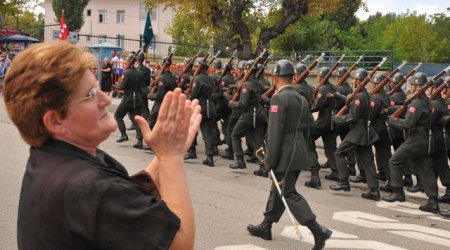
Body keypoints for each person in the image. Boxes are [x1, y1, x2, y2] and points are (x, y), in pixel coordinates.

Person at [3, 42, 201, 249]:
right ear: (54, 121)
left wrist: (164, 154)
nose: (106, 99)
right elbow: (180, 244)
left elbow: (123, 199)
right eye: (91, 95)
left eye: (98, 89)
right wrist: (171, 157)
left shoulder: (52, 157)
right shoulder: (92, 188)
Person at [247, 60, 332, 250]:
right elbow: (310, 127)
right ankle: (266, 225)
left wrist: (270, 160)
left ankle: (317, 229)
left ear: (276, 78)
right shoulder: (301, 98)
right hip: (299, 150)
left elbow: (275, 132)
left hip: (284, 153)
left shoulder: (278, 99)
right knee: (278, 189)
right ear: (293, 77)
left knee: (287, 192)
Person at [382, 72, 440, 214]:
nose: (412, 87)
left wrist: (391, 119)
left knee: (394, 161)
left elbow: (407, 123)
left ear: (418, 86)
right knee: (427, 171)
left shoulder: (417, 102)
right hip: (425, 139)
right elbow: (408, 110)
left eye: (414, 85)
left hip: (416, 139)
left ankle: (397, 191)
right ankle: (433, 201)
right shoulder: (425, 101)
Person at [329, 68, 380, 201]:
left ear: (359, 81)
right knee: (368, 162)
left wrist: (338, 119)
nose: (352, 81)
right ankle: (374, 190)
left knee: (339, 153)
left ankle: (343, 181)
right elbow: (349, 100)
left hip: (358, 131)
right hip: (364, 131)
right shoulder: (363, 95)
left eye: (355, 79)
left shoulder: (360, 96)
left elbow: (353, 117)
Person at [114, 53, 144, 149]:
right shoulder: (139, 72)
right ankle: (140, 141)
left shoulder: (126, 73)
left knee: (118, 115)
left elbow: (122, 86)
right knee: (136, 120)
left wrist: (117, 85)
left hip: (128, 97)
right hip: (137, 97)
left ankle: (123, 134)